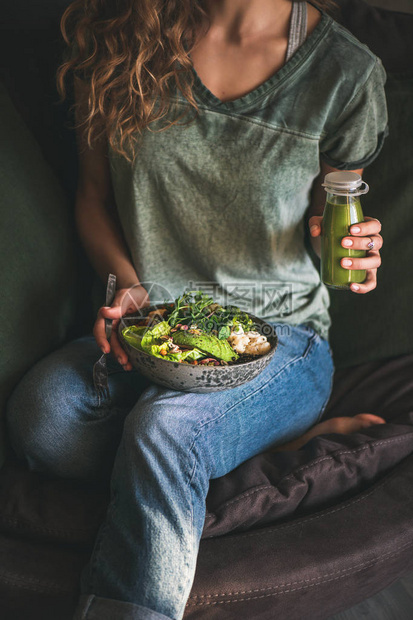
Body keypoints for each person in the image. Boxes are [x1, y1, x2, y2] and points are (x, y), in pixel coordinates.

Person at [5, 1, 388, 618]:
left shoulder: (345, 72)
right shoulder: (120, 35)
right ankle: (253, 451)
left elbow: (334, 217)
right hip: (156, 323)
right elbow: (94, 199)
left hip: (279, 334)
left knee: (164, 430)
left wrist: (352, 245)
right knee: (43, 417)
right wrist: (128, 292)